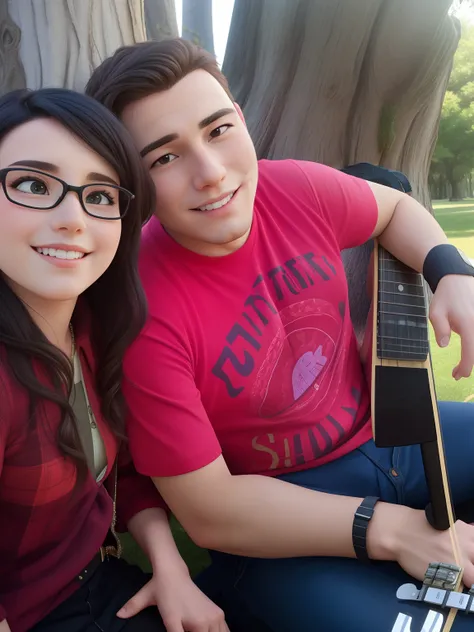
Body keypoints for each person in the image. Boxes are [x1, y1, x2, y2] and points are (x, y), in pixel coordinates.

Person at [86, 39, 474, 631]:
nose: (211, 174)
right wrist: (392, 531)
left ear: (240, 119)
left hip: (395, 435)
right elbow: (211, 510)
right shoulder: (139, 308)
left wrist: (452, 271)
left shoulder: (292, 188)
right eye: (163, 158)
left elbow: (394, 209)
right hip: (277, 513)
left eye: (217, 130)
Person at [0, 88, 229, 632]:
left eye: (99, 196)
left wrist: (169, 567)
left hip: (103, 584)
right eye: (33, 185)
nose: (73, 219)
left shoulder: (93, 331)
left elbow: (124, 471)